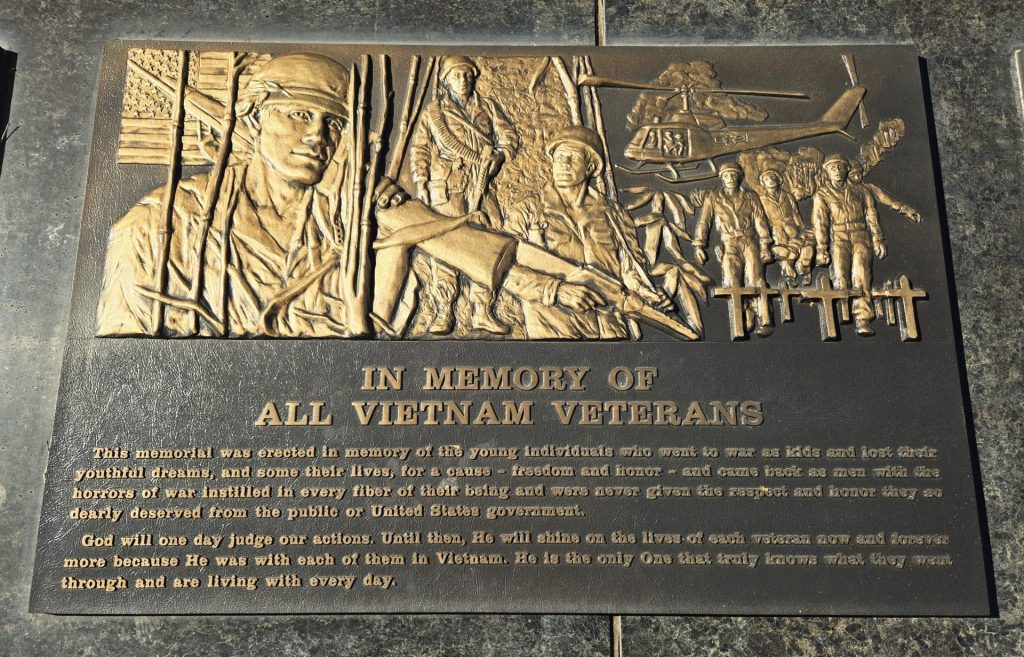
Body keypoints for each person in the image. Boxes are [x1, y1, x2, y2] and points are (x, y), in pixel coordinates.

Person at [97, 53, 361, 338]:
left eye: (333, 122)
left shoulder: (346, 228)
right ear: (255, 118)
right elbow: (121, 353)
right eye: (300, 115)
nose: (317, 136)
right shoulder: (161, 222)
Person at [503, 126, 669, 339]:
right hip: (553, 329)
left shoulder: (613, 213)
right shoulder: (526, 210)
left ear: (590, 166)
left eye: (572, 157)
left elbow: (630, 268)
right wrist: (557, 290)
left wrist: (646, 292)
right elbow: (503, 269)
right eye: (559, 157)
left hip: (610, 329)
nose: (563, 163)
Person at [408, 55, 519, 335]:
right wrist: (421, 183)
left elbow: (508, 137)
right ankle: (445, 310)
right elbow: (420, 149)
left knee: (486, 244)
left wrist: (501, 155)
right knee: (448, 246)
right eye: (457, 75)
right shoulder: (435, 113)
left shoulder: (488, 107)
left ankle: (482, 310)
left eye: (468, 75)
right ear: (446, 80)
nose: (463, 80)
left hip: (481, 183)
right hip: (448, 186)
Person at [691, 161, 773, 336]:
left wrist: (765, 244)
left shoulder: (750, 196)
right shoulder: (713, 197)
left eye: (734, 175)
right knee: (731, 277)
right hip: (728, 243)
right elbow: (704, 221)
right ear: (722, 178)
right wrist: (699, 244)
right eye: (727, 175)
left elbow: (760, 220)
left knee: (755, 276)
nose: (730, 178)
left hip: (749, 240)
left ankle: (761, 314)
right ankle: (742, 313)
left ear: (739, 177)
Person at [811, 153, 886, 336]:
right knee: (840, 276)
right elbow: (821, 223)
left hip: (861, 235)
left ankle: (863, 318)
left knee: (862, 274)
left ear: (847, 169)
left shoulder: (862, 191)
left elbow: (872, 215)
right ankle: (842, 315)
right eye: (832, 167)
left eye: (840, 166)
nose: (836, 170)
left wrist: (878, 238)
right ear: (826, 172)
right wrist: (822, 249)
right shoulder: (822, 194)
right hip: (838, 237)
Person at [756, 166, 814, 284]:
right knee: (783, 252)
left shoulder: (787, 196)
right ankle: (790, 276)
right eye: (767, 179)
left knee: (799, 248)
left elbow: (795, 213)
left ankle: (804, 270)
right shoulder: (761, 199)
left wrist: (802, 228)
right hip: (775, 230)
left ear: (778, 180)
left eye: (773, 177)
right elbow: (760, 218)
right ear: (763, 183)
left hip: (791, 227)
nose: (771, 180)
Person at [849, 160, 922, 223]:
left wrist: (906, 210)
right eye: (852, 175)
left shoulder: (869, 188)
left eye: (858, 174)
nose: (857, 177)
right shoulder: (840, 192)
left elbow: (886, 199)